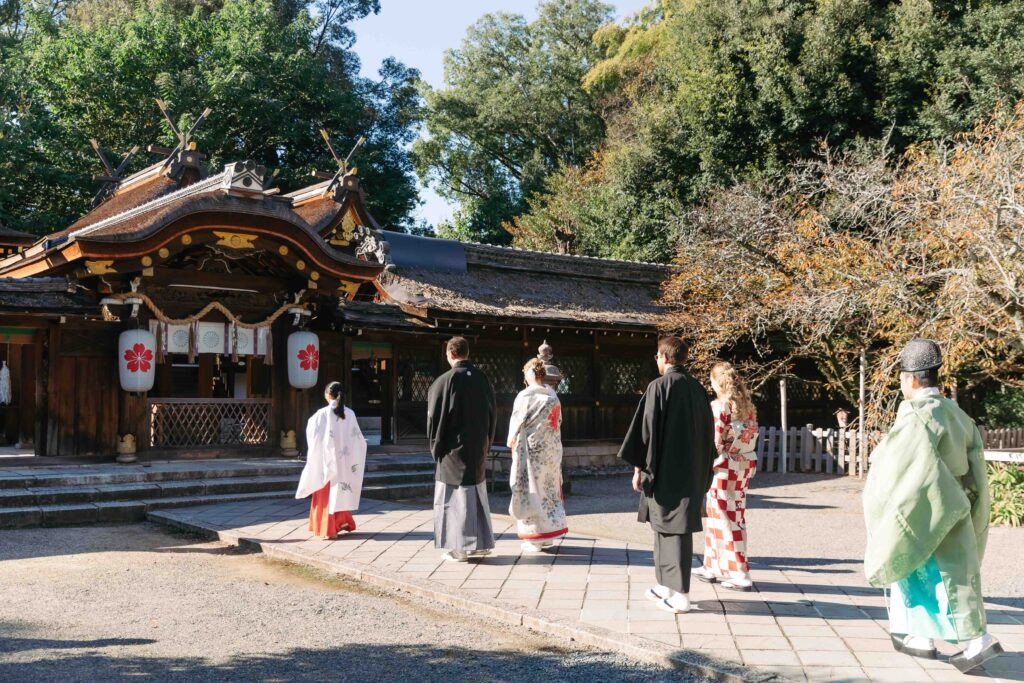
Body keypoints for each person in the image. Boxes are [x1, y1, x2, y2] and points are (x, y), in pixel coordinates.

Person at [864, 339, 1002, 673]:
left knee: (936, 574)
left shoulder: (915, 416)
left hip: (927, 503)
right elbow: (976, 469)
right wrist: (972, 504)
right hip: (955, 502)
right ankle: (919, 636)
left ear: (910, 379)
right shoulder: (956, 413)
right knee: (948, 571)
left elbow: (898, 466)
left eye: (901, 379)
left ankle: (976, 641)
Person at [618, 337, 715, 614]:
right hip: (692, 468)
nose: (657, 361)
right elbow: (709, 432)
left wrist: (639, 468)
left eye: (657, 357)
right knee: (663, 525)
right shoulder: (697, 389)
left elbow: (645, 433)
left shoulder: (658, 387)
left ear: (664, 357)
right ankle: (664, 584)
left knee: (676, 530)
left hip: (664, 468)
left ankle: (681, 594)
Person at [427, 336, 497, 562]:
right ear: (467, 353)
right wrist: (487, 442)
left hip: (452, 451)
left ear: (449, 354)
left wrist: (436, 448)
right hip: (477, 447)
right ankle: (481, 545)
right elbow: (492, 414)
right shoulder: (482, 379)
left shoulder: (444, 381)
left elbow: (434, 420)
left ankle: (459, 548)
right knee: (476, 495)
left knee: (454, 499)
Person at [694, 362, 759, 591]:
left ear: (717, 382)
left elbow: (716, 441)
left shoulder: (719, 406)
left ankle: (740, 573)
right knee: (729, 515)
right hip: (742, 466)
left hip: (723, 467)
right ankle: (711, 566)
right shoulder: (747, 407)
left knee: (725, 518)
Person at [507, 357, 568, 552]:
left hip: (531, 452)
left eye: (525, 372)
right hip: (551, 451)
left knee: (531, 491)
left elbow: (516, 423)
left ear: (530, 374)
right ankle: (549, 534)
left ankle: (535, 537)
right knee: (548, 492)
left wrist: (511, 442)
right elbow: (557, 423)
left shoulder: (526, 396)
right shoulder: (553, 396)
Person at [295, 381, 367, 539]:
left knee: (325, 493)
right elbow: (359, 440)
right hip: (344, 462)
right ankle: (340, 523)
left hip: (327, 460)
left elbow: (314, 436)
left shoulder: (322, 414)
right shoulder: (350, 413)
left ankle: (327, 528)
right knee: (340, 492)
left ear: (327, 394)